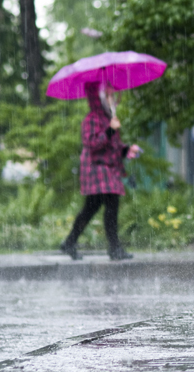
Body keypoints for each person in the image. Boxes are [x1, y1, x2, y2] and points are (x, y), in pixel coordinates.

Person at [60, 82, 141, 261]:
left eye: (113, 96)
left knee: (91, 208)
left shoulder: (108, 117)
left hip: (108, 167)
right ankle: (114, 248)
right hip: (96, 167)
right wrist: (111, 131)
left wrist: (127, 150)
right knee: (111, 204)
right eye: (109, 95)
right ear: (100, 97)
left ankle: (70, 241)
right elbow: (92, 144)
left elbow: (113, 147)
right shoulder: (92, 119)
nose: (112, 99)